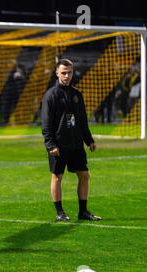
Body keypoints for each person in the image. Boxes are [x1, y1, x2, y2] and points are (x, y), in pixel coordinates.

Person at [41, 58, 102, 222]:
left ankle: (83, 211)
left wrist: (89, 140)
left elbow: (82, 120)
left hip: (76, 144)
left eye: (69, 73)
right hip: (59, 145)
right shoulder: (51, 96)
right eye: (63, 73)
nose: (67, 76)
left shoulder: (77, 94)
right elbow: (46, 124)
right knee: (57, 177)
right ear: (57, 73)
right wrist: (50, 144)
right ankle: (60, 212)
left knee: (84, 175)